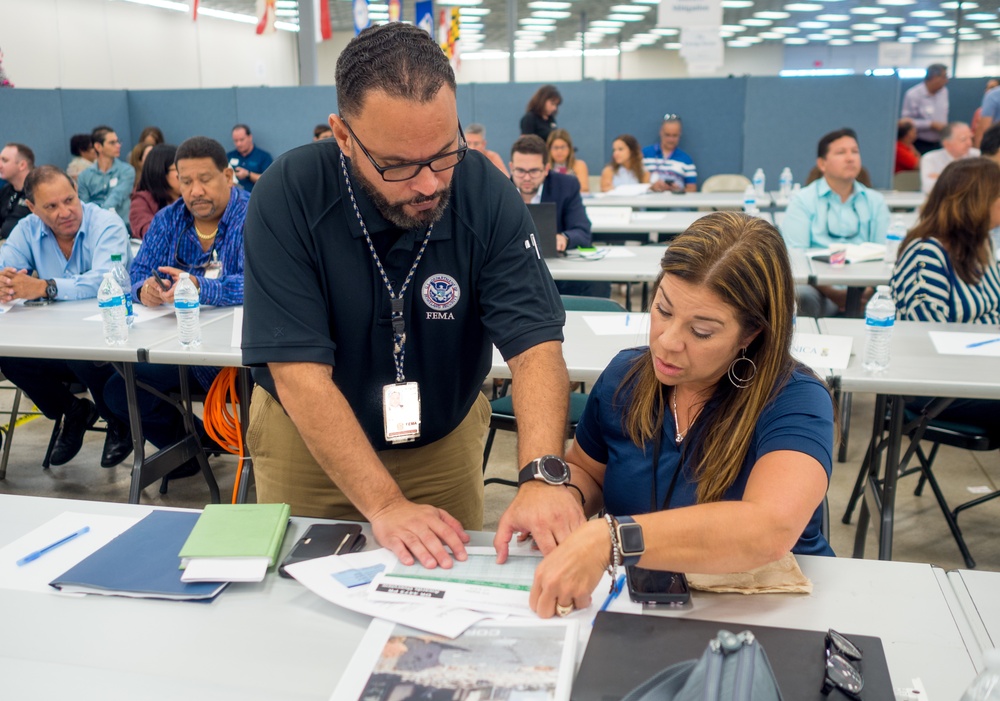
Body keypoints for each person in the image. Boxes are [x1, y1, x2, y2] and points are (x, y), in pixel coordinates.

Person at [243, 23, 574, 570]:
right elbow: (297, 373)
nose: (428, 184)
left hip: (442, 439)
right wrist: (385, 505)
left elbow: (536, 346)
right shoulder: (291, 193)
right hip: (312, 442)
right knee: (302, 596)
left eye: (445, 154)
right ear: (344, 137)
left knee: (447, 594)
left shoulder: (485, 192)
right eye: (397, 165)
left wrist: (541, 473)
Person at [511, 212, 835, 617]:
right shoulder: (625, 377)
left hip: (770, 610)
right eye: (663, 310)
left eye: (701, 332)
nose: (667, 342)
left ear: (751, 335)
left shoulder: (795, 399)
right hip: (640, 605)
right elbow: (588, 471)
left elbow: (768, 529)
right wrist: (559, 498)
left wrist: (609, 539)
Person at [104, 136, 247, 487]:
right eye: (186, 182)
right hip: (180, 346)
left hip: (239, 354)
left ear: (228, 176)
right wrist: (145, 291)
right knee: (118, 390)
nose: (195, 190)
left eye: (205, 179)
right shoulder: (169, 219)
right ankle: (198, 444)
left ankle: (247, 452)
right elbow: (138, 273)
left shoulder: (256, 214)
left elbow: (260, 282)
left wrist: (200, 287)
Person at [0, 166, 133, 468]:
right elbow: (7, 270)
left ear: (76, 190)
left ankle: (119, 420)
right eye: (51, 206)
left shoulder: (106, 223)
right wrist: (6, 284)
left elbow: (105, 278)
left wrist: (45, 287)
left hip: (107, 340)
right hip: (53, 337)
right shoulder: (26, 229)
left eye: (69, 200)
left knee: (80, 352)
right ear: (32, 208)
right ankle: (72, 411)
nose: (65, 212)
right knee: (8, 356)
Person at [891, 157, 1000, 440]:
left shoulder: (982, 244)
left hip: (983, 372)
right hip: (937, 388)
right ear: (977, 202)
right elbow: (925, 343)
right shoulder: (927, 253)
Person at [780, 128, 890, 318]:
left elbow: (885, 252)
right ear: (822, 163)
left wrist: (868, 291)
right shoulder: (803, 200)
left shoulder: (875, 201)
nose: (850, 158)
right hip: (819, 289)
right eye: (841, 152)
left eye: (854, 151)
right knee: (801, 296)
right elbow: (794, 256)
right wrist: (835, 294)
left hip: (866, 288)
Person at [510, 134, 607, 298]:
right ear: (511, 167)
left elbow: (583, 231)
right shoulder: (499, 189)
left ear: (546, 169)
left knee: (597, 283)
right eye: (520, 171)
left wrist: (564, 238)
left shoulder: (566, 186)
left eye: (534, 171)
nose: (526, 177)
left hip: (557, 273)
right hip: (513, 271)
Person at [77, 126, 135, 224]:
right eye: (112, 143)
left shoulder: (127, 170)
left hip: (122, 225)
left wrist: (101, 217)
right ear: (98, 146)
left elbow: (116, 196)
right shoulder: (84, 176)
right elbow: (84, 205)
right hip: (94, 225)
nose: (118, 145)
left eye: (118, 141)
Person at [129, 143, 180, 239]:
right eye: (178, 169)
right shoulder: (141, 201)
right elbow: (151, 233)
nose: (184, 176)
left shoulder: (189, 197)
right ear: (160, 171)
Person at [901, 63, 949, 154]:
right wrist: (930, 124)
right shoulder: (913, 94)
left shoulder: (944, 92)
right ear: (934, 77)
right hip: (920, 143)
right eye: (944, 77)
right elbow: (906, 121)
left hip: (939, 142)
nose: (946, 80)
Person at [642, 115, 697, 193]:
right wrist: (651, 187)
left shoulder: (686, 160)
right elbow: (634, 182)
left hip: (675, 203)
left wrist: (678, 190)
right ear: (661, 132)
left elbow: (692, 189)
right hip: (648, 203)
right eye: (667, 135)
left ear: (680, 134)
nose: (671, 140)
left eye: (675, 135)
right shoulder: (645, 154)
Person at [920, 122, 979, 194]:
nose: (969, 143)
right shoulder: (930, 158)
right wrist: (968, 179)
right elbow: (929, 188)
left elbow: (980, 185)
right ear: (947, 144)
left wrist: (942, 177)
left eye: (970, 138)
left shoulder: (978, 156)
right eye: (963, 139)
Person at [0, 143, 34, 240]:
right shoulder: (6, 190)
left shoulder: (37, 191)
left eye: (4, 160)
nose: (0, 165)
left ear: (22, 165)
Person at [227, 124, 273, 193]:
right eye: (236, 141)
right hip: (234, 198)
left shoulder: (264, 157)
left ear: (250, 137)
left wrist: (248, 174)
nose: (238, 144)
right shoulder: (229, 156)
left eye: (242, 140)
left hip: (254, 198)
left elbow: (268, 180)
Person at [547, 129, 589, 194]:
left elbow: (584, 189)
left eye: (563, 147)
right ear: (549, 149)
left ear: (569, 148)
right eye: (555, 147)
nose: (559, 151)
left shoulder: (579, 165)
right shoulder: (545, 167)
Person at [971, 78, 1000, 145]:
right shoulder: (979, 111)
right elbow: (978, 132)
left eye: (992, 87)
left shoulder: (993, 96)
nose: (988, 90)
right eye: (987, 88)